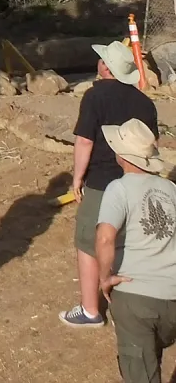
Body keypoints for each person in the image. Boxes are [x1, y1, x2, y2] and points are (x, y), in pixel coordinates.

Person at [60, 40, 158, 328]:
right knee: (129, 243)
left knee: (89, 243)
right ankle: (130, 306)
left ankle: (91, 310)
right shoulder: (144, 101)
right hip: (138, 179)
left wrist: (77, 178)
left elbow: (84, 140)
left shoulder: (94, 96)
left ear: (105, 66)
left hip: (102, 181)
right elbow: (153, 144)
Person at [96, 118, 176, 383]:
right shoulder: (171, 189)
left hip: (136, 296)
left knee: (141, 371)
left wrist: (105, 278)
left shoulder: (118, 189)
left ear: (121, 155)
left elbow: (106, 238)